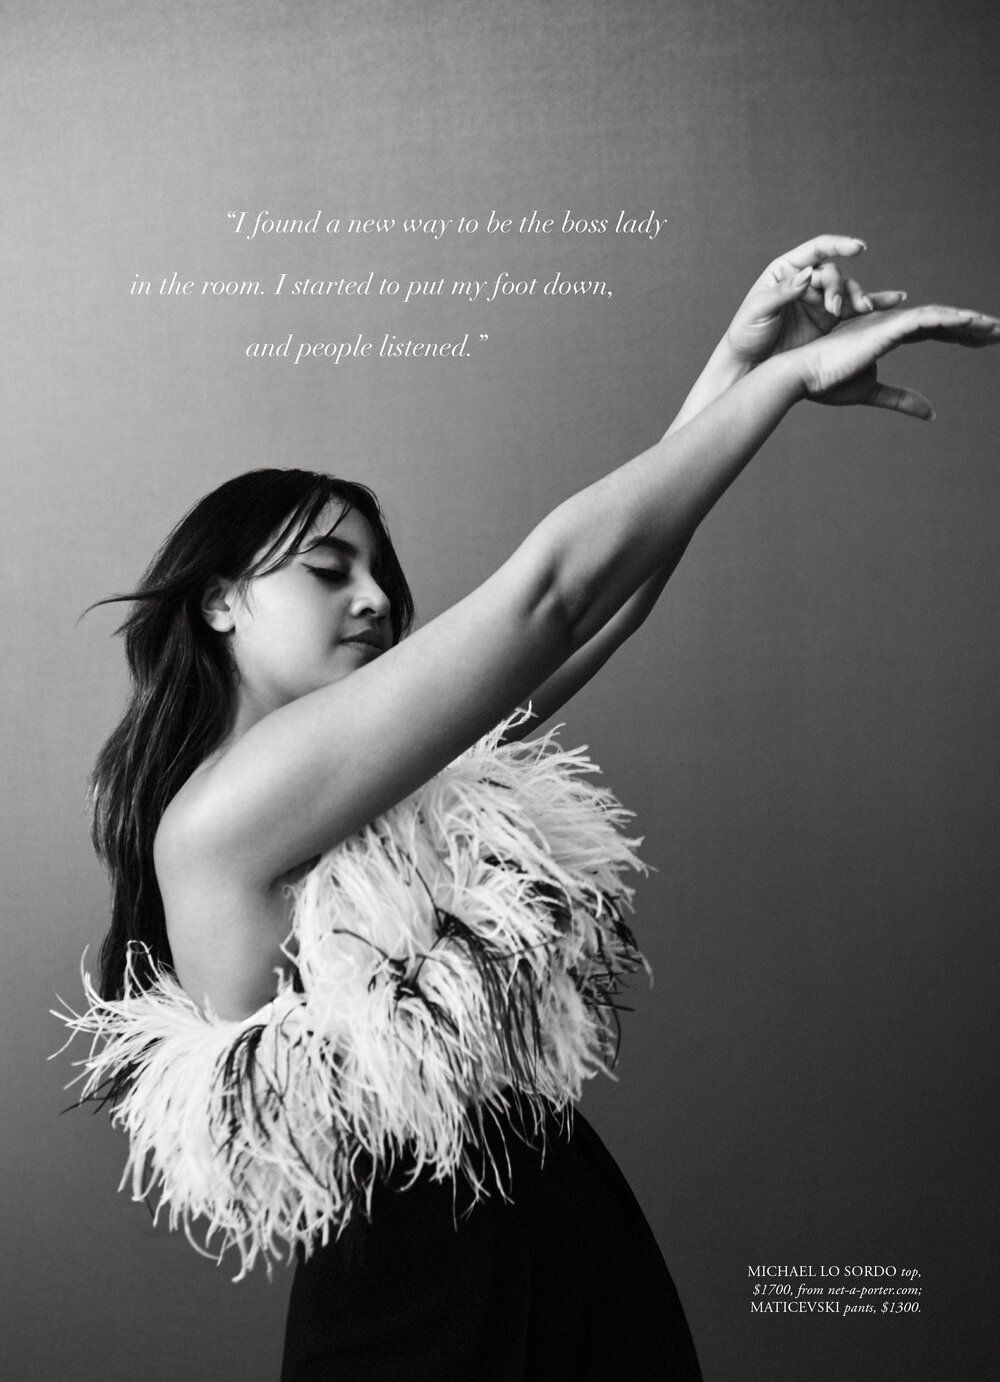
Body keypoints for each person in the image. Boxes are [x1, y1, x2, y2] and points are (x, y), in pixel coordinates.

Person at [58, 235, 999, 1380]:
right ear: (217, 602)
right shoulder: (224, 812)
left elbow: (606, 602)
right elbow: (551, 593)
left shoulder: (376, 783)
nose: (375, 597)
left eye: (380, 573)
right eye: (327, 569)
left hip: (559, 1225)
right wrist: (783, 383)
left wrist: (737, 361)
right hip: (420, 1292)